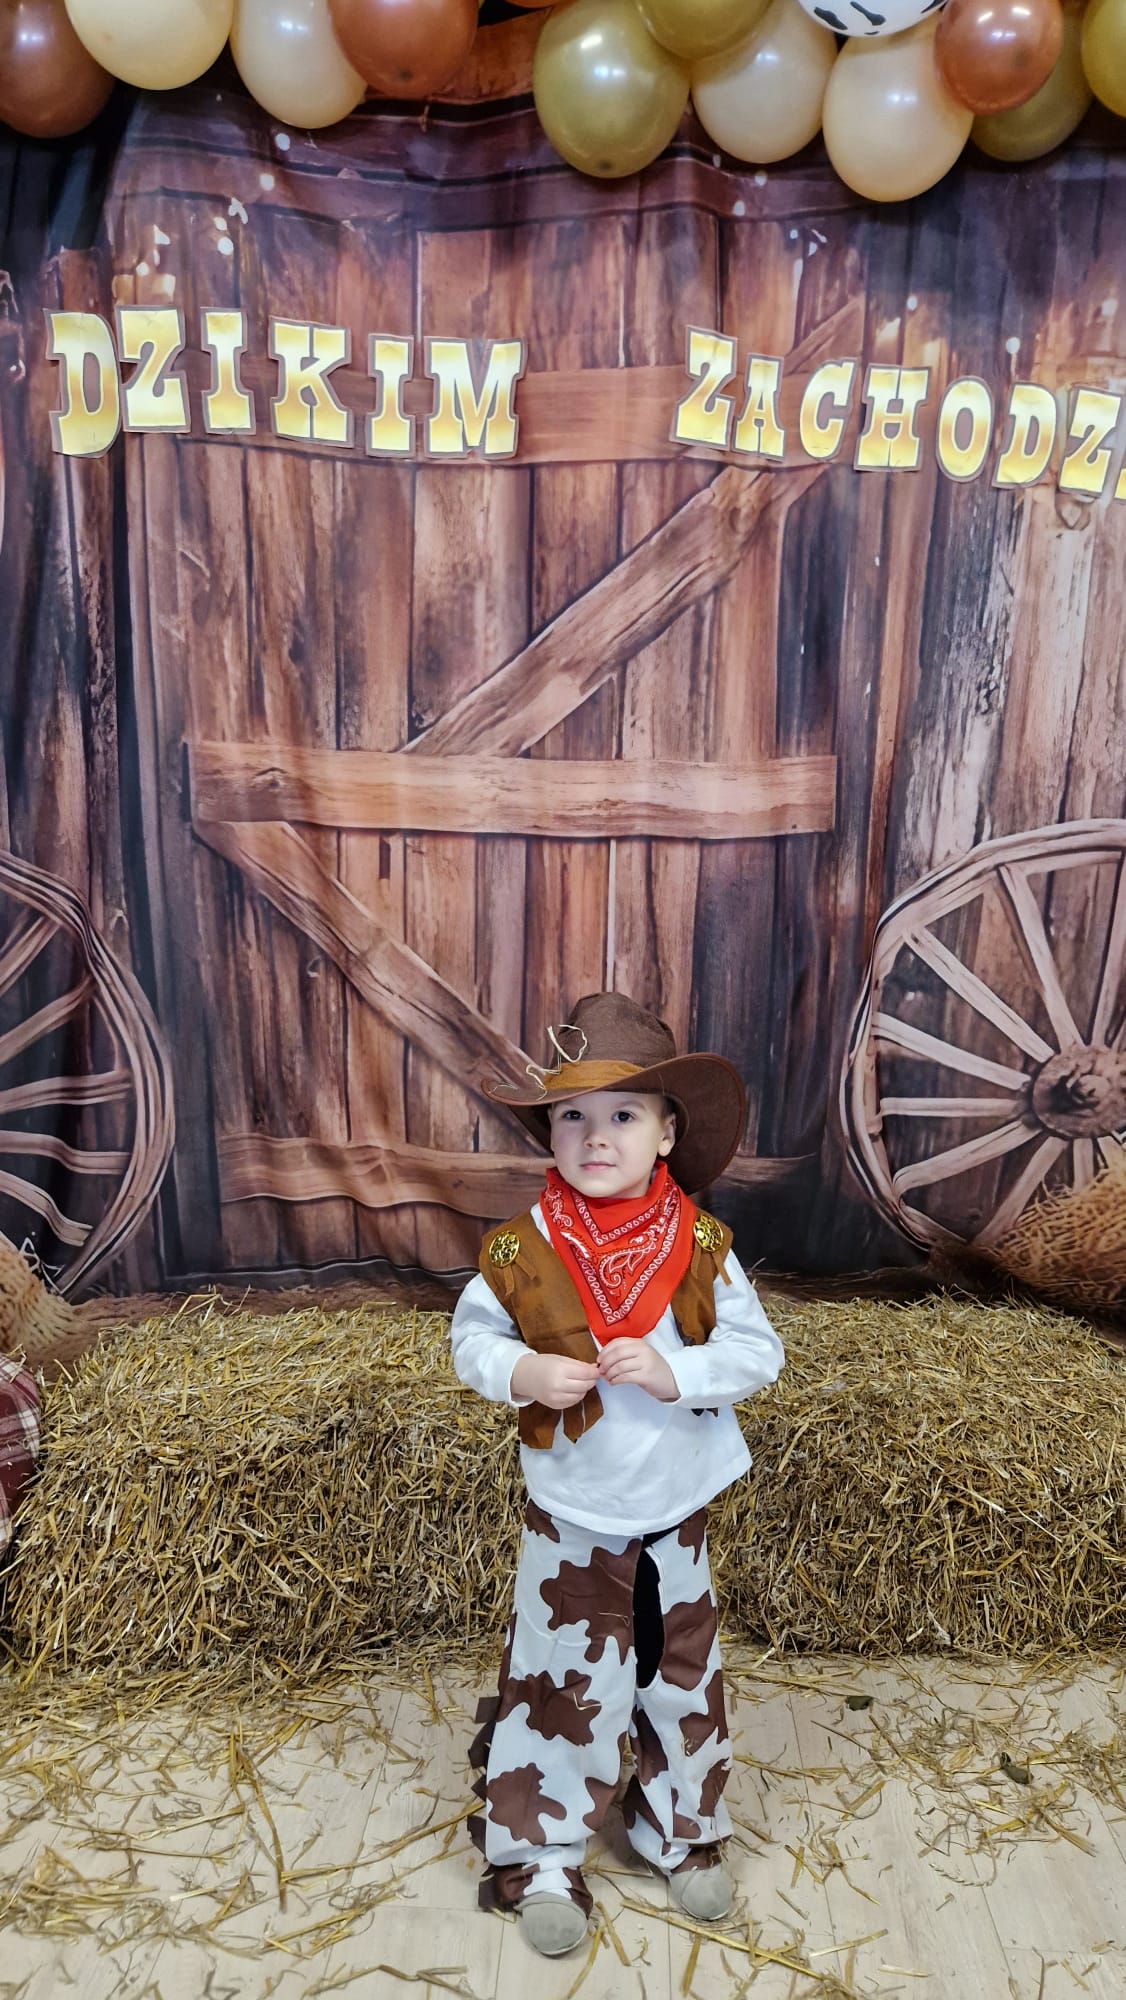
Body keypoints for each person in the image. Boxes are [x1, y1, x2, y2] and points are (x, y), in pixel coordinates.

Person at [450, 991, 784, 1958]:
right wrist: (521, 1370)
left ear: (667, 1133)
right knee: (562, 1677)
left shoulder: (702, 1249)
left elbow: (758, 1354)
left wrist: (679, 1373)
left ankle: (676, 1826)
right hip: (573, 1510)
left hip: (674, 1509)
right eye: (573, 1115)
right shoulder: (522, 1249)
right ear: (550, 1132)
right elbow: (470, 1340)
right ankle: (542, 1853)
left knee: (681, 1672)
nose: (597, 1137)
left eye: (624, 1115)